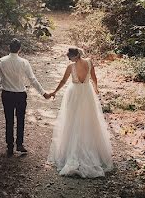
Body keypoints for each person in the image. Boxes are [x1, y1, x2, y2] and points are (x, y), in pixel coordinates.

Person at [46, 47, 114, 177]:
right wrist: (96, 89)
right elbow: (94, 78)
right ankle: (90, 150)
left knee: (72, 120)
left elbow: (63, 81)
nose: (69, 59)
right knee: (88, 119)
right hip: (87, 93)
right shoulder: (89, 62)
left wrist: (54, 92)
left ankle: (73, 151)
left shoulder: (70, 67)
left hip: (75, 93)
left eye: (70, 56)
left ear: (75, 55)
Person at [0, 38, 50, 157]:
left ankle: (10, 146)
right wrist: (43, 93)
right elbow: (32, 79)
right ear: (20, 49)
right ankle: (20, 144)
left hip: (7, 94)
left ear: (9, 48)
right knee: (20, 120)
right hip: (20, 94)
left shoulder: (1, 61)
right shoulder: (24, 62)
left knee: (9, 120)